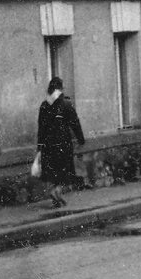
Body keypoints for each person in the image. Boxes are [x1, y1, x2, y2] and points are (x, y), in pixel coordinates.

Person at [35, 76, 86, 208]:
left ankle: (55, 193)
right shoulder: (66, 104)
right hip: (63, 143)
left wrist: (40, 146)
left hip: (48, 144)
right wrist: (81, 139)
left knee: (53, 169)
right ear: (61, 88)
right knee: (64, 168)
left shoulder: (44, 105)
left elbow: (41, 126)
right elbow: (75, 122)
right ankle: (57, 190)